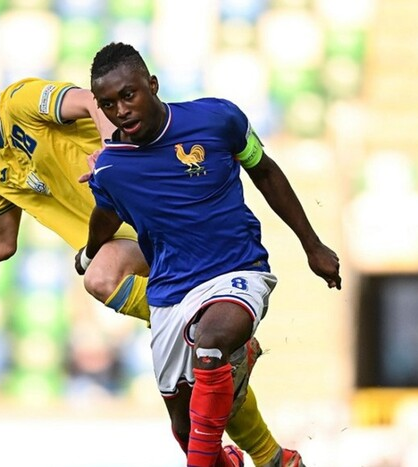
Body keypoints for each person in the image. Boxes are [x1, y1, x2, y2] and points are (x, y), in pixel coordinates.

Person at [0, 62, 292, 466]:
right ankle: (271, 455)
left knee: (100, 275)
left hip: (164, 225)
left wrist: (115, 154)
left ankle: (201, 328)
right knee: (197, 396)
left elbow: (90, 101)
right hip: (140, 253)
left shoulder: (21, 101)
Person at [76, 42, 342, 467]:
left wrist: (312, 245)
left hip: (237, 270)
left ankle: (232, 353)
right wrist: (89, 255)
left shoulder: (218, 119)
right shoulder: (110, 169)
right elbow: (104, 217)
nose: (121, 110)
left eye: (129, 95)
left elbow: (265, 171)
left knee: (213, 342)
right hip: (170, 293)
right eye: (108, 104)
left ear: (152, 84)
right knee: (186, 430)